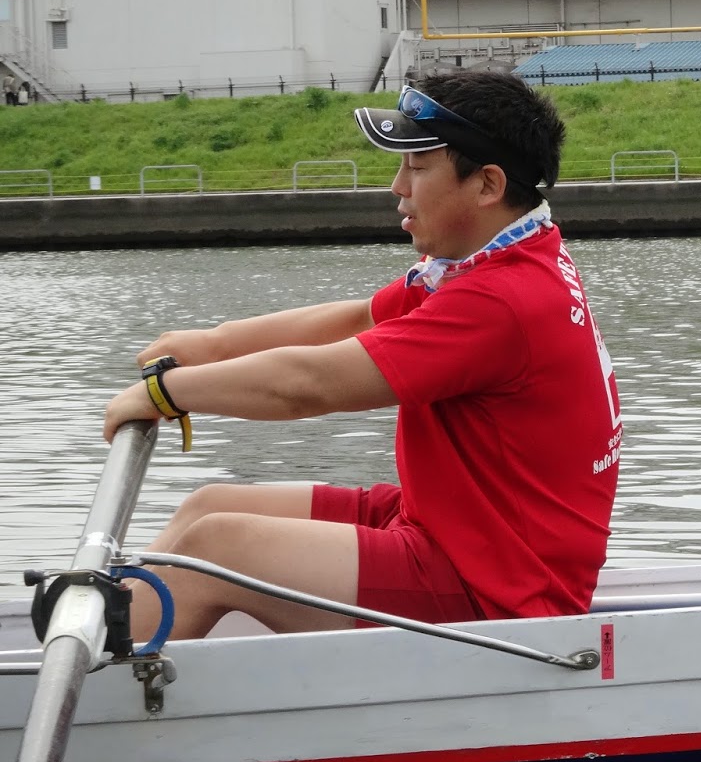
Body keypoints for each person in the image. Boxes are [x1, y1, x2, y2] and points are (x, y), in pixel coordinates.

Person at [102, 70, 623, 641]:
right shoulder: (504, 257)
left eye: (417, 167)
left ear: (487, 185)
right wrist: (212, 343)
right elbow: (358, 318)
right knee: (208, 506)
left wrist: (161, 394)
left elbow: (308, 386)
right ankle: (111, 631)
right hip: (459, 526)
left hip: (495, 591)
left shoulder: (502, 301)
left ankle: (95, 697)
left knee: (213, 548)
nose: (397, 186)